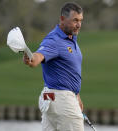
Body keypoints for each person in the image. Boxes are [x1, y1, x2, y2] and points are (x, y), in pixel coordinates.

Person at [23, 2, 84, 131]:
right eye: (75, 20)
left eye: (80, 20)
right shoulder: (54, 40)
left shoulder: (71, 38)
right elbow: (37, 57)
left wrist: (76, 95)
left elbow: (68, 71)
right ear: (62, 19)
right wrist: (31, 58)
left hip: (52, 99)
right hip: (62, 100)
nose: (78, 24)